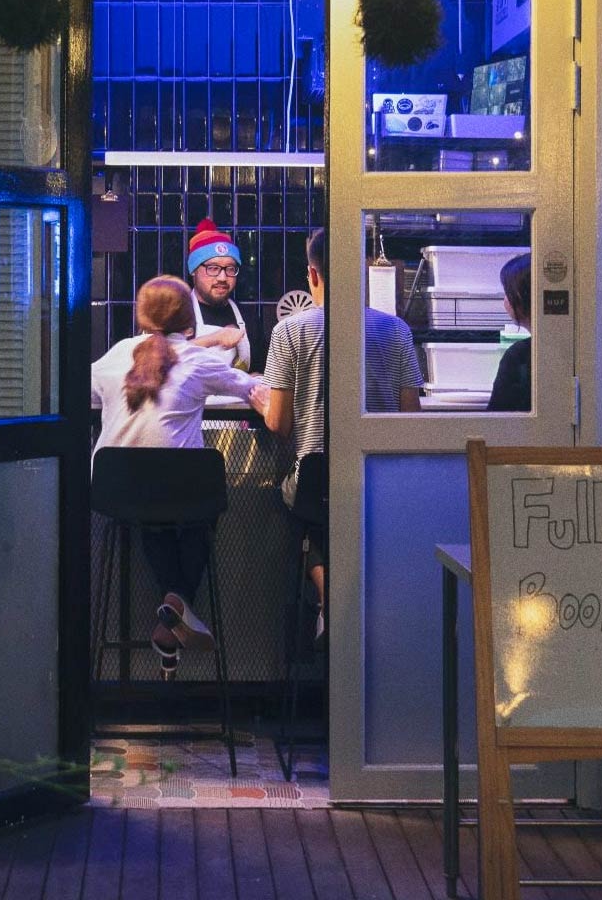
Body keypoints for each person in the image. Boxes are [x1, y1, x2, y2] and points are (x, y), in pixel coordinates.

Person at [91, 275, 265, 675]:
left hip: (115, 489)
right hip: (182, 492)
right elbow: (253, 391)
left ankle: (172, 612)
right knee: (192, 515)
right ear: (189, 319)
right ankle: (174, 609)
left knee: (155, 517)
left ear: (140, 315)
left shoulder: (117, 354)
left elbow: (88, 390)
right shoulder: (199, 361)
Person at [262, 229, 421, 643]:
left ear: (312, 275)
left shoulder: (290, 332)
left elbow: (278, 423)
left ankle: (330, 603)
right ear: (364, 274)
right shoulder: (396, 330)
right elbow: (410, 417)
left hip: (317, 478)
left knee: (307, 500)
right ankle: (365, 609)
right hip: (381, 481)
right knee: (347, 504)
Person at [184, 218, 265, 372]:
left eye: (230, 269)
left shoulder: (247, 317)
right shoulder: (177, 314)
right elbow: (163, 360)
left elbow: (261, 368)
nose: (222, 278)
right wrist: (215, 338)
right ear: (194, 270)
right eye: (213, 268)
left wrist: (256, 380)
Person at [488, 253, 533, 412]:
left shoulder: (519, 356)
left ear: (520, 297)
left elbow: (497, 419)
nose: (505, 300)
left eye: (507, 292)